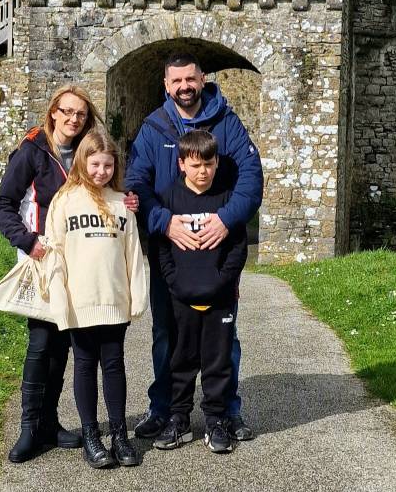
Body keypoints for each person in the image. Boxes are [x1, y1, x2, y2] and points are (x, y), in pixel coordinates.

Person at [0, 86, 139, 464]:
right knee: (42, 344)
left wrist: (125, 198)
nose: (74, 119)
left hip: (85, 267)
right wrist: (27, 240)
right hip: (46, 259)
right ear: (54, 112)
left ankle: (51, 422)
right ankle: (30, 428)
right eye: (67, 112)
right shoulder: (34, 150)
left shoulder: (90, 150)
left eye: (81, 113)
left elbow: (108, 188)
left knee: (68, 347)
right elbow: (3, 202)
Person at [124, 52, 263, 442]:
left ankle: (226, 412)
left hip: (217, 252)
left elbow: (251, 177)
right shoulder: (154, 129)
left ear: (202, 79)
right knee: (167, 334)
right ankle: (166, 410)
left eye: (191, 78)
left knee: (224, 339)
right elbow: (137, 185)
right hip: (172, 253)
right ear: (166, 86)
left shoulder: (226, 123)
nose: (184, 86)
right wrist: (164, 223)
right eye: (176, 81)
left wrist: (227, 218)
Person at [46, 128, 150, 469]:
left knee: (115, 365)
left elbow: (133, 253)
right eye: (94, 164)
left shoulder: (122, 202)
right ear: (82, 162)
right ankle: (92, 436)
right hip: (80, 302)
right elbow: (55, 254)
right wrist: (60, 301)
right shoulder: (65, 200)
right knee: (85, 365)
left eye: (107, 165)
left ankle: (120, 434)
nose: (100, 171)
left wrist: (138, 296)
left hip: (114, 299)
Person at [154, 129, 248, 453]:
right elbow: (161, 249)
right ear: (181, 164)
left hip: (220, 299)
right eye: (195, 165)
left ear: (217, 162)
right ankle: (178, 419)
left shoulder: (227, 199)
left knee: (218, 363)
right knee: (181, 361)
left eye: (208, 163)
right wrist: (174, 283)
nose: (202, 171)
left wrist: (223, 281)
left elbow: (238, 247)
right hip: (182, 297)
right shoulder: (168, 199)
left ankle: (216, 421)